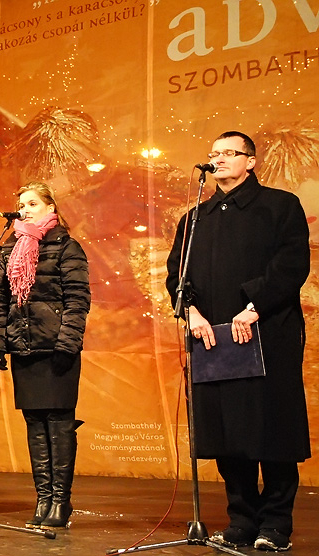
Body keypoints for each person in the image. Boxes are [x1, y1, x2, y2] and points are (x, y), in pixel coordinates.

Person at [166, 131, 311, 552]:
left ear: (250, 161)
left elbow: (291, 264)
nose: (219, 159)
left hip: (266, 331)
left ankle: (276, 524)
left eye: (230, 153)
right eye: (214, 154)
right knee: (228, 433)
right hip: (214, 338)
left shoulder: (279, 205)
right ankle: (242, 519)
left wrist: (254, 306)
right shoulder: (196, 217)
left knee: (272, 430)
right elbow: (176, 274)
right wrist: (191, 312)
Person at [0, 182, 91, 529]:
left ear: (51, 208)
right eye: (22, 204)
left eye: (32, 203)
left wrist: (67, 344)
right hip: (24, 348)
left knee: (58, 423)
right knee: (34, 424)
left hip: (57, 349)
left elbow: (78, 300)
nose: (25, 210)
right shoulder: (9, 250)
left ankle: (61, 500)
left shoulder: (67, 247)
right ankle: (43, 498)